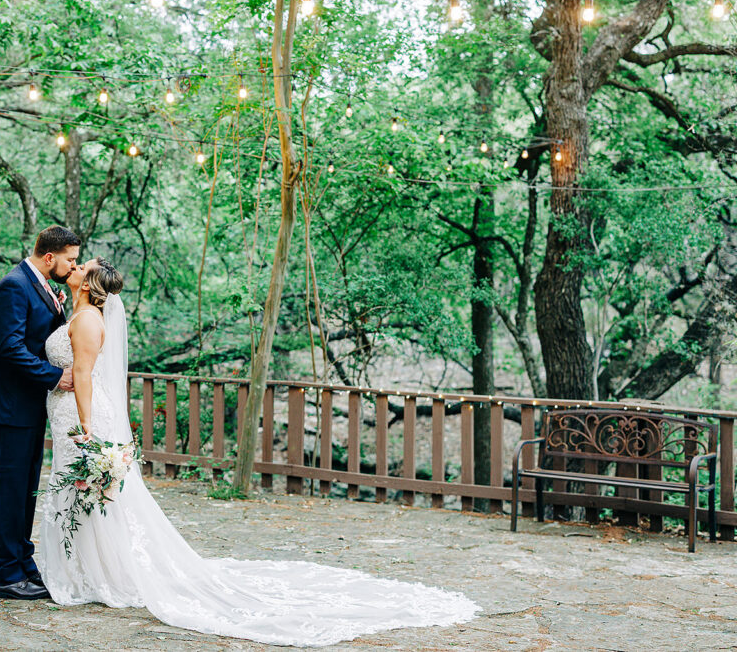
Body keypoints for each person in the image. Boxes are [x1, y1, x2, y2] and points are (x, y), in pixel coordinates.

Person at [35, 257, 480, 646]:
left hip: (83, 417)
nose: (74, 267)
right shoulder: (75, 310)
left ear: (90, 286)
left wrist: (89, 427)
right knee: (89, 495)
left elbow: (88, 377)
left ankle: (101, 573)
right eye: (76, 264)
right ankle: (89, 569)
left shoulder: (89, 321)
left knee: (98, 495)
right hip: (69, 414)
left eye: (82, 267)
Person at [0, 226, 79, 600]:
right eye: (69, 259)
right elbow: (10, 349)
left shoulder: (40, 284)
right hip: (8, 408)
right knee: (9, 492)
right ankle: (6, 575)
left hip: (28, 407)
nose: (73, 266)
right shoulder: (14, 286)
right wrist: (56, 377)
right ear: (49, 257)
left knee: (25, 493)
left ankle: (24, 564)